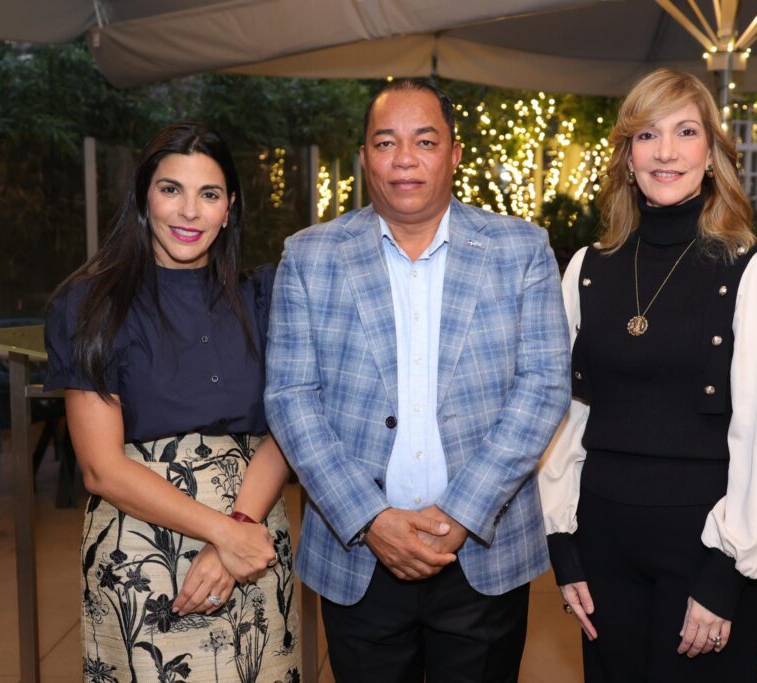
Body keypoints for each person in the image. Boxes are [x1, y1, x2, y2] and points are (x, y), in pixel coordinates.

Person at [264, 79, 570, 683]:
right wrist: (371, 519)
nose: (404, 158)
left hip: (482, 553)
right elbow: (291, 398)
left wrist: (460, 515)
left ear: (454, 155)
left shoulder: (521, 249)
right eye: (386, 142)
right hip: (359, 553)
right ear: (364, 157)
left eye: (425, 141)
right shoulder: (309, 256)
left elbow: (543, 388)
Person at [539, 68, 757, 682]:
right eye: (647, 135)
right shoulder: (586, 268)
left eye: (685, 132)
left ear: (711, 154)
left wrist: (725, 574)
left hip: (706, 542)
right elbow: (566, 419)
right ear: (627, 157)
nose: (665, 152)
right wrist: (563, 545)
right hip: (603, 539)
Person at [45, 123, 299, 683]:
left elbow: (288, 426)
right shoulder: (90, 305)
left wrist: (239, 527)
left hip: (254, 542)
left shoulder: (266, 297)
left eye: (209, 194)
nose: (189, 211)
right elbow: (100, 468)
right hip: (141, 555)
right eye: (170, 190)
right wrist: (223, 533)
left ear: (229, 208)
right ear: (144, 198)